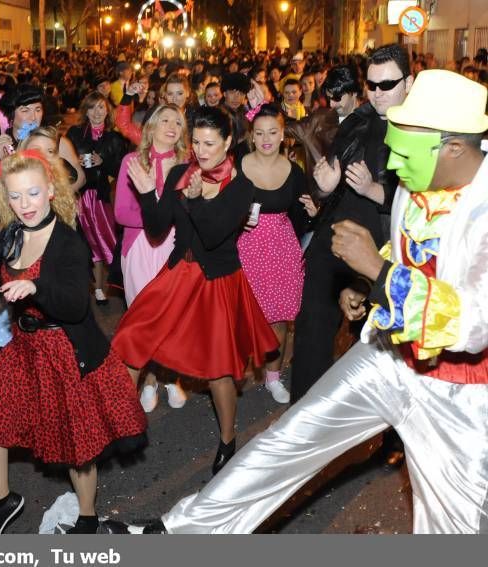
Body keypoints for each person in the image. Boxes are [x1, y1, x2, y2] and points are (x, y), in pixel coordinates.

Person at [124, 69, 488, 535]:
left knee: (451, 525)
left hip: (458, 390)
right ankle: (179, 533)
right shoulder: (415, 186)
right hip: (389, 354)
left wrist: (378, 275)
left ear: (452, 147)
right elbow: (415, 258)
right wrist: (367, 284)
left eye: (403, 149)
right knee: (288, 440)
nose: (392, 162)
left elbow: (473, 322)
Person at [0, 150, 147, 534]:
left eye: (32, 193)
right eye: (15, 196)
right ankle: (3, 501)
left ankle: (87, 516)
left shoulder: (69, 242)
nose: (24, 204)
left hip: (66, 351)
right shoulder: (11, 235)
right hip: (23, 348)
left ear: (50, 191)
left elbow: (75, 306)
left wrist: (36, 285)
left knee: (77, 449)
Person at [112, 106, 279, 475]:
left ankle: (227, 438)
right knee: (130, 336)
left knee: (219, 370)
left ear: (228, 142)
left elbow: (214, 235)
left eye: (209, 143)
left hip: (217, 281)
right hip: (177, 273)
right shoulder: (178, 171)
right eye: (197, 142)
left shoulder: (241, 185)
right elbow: (157, 228)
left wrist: (196, 198)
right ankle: (124, 423)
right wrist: (145, 195)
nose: (200, 151)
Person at [292, 44, 411, 402]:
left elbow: (427, 204)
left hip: (385, 248)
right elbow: (328, 180)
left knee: (385, 346)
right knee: (312, 335)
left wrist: (377, 191)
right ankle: (305, 420)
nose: (378, 94)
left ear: (410, 81)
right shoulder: (358, 121)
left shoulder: (425, 131)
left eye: (387, 84)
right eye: (372, 85)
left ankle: (390, 436)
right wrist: (324, 189)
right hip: (334, 241)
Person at [235, 103, 317, 403]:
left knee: (279, 319)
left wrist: (313, 212)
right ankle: (236, 370)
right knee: (242, 315)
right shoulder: (238, 166)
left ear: (283, 134)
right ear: (251, 137)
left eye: (273, 132)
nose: (266, 138)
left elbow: (302, 214)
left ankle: (273, 376)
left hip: (282, 247)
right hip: (244, 247)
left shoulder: (294, 171)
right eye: (259, 133)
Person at [114, 104, 190, 412]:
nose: (172, 126)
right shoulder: (133, 161)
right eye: (166, 120)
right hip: (140, 247)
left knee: (174, 318)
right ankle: (148, 381)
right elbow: (121, 212)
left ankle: (171, 377)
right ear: (152, 126)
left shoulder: (187, 163)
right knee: (145, 319)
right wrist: (158, 211)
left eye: (178, 121)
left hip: (175, 247)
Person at [0, 84, 85, 195]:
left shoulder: (55, 141)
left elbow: (80, 178)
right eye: (25, 110)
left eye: (38, 110)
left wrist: (54, 198)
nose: (33, 117)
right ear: (11, 113)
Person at [66, 91, 126, 305]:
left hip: (102, 198)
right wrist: (75, 163)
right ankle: (90, 287)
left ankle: (111, 284)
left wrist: (104, 163)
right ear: (86, 111)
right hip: (78, 196)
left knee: (106, 240)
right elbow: (62, 163)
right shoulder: (74, 133)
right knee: (84, 244)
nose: (97, 112)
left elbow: (122, 169)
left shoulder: (114, 138)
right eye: (92, 107)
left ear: (107, 110)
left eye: (101, 107)